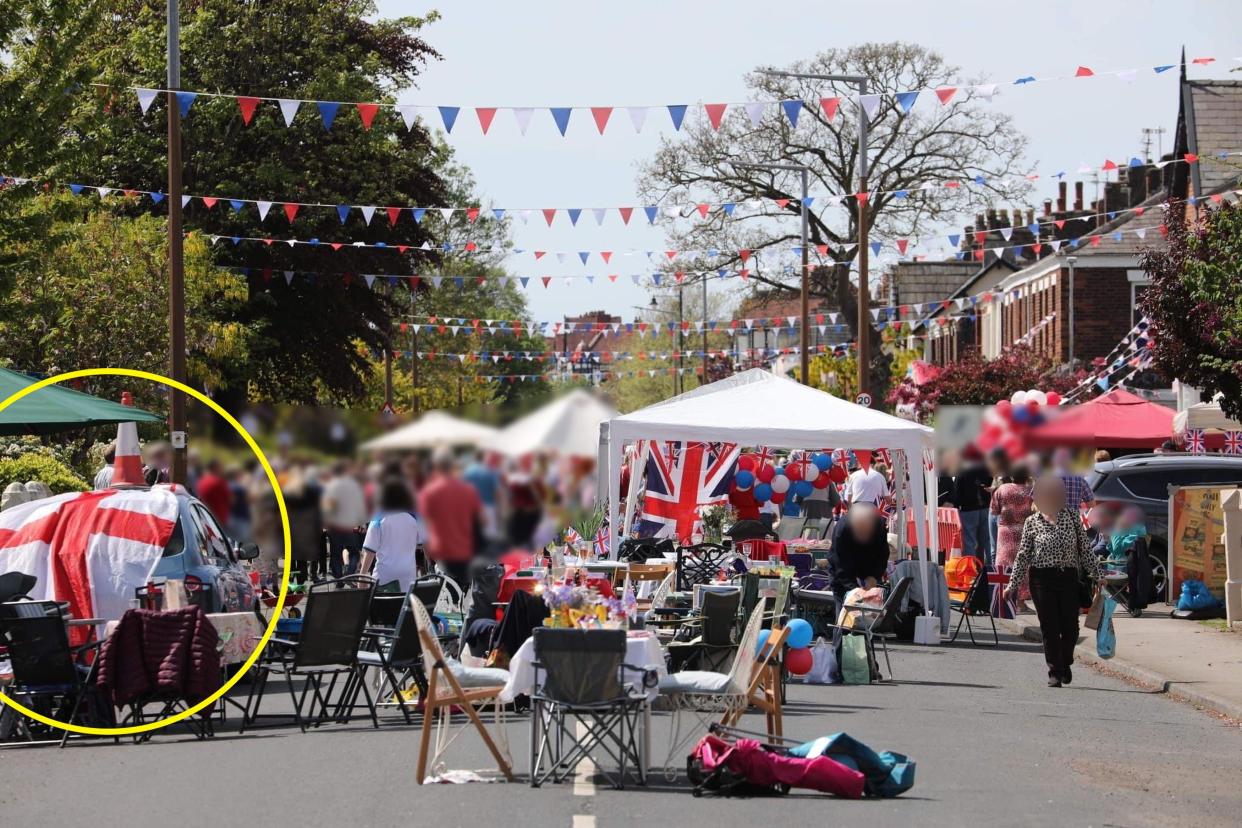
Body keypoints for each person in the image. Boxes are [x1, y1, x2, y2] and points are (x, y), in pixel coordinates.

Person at [1005, 475, 1102, 687]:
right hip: (1041, 579)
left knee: (1070, 628)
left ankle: (1065, 660)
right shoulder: (1032, 522)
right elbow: (1023, 555)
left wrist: (1098, 575)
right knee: (1049, 627)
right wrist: (1012, 584)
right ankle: (1054, 672)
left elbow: (1085, 549)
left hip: (1068, 576)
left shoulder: (1072, 517)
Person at [418, 447, 483, 587]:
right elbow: (481, 521)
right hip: (466, 554)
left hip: (443, 557)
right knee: (464, 603)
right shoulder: (469, 490)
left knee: (446, 604)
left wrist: (429, 558)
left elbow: (424, 529)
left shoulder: (429, 492)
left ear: (436, 466)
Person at [359, 478, 424, 592]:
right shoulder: (414, 518)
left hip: (384, 576)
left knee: (383, 608)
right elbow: (421, 544)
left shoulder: (378, 519)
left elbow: (370, 551)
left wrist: (362, 576)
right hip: (408, 575)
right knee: (404, 608)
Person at [990, 464, 1034, 611]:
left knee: (1004, 564)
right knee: (1023, 566)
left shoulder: (1001, 489)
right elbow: (1035, 511)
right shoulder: (1030, 491)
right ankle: (1021, 602)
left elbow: (994, 510)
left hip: (1005, 532)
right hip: (1024, 530)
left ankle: (1001, 598)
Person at [826, 504, 890, 604]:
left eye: (867, 532)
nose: (863, 536)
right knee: (845, 609)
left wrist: (874, 576)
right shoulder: (842, 530)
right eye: (859, 532)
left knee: (873, 609)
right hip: (843, 569)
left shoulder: (879, 526)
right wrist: (855, 590)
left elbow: (883, 555)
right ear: (852, 526)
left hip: (868, 563)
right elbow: (840, 567)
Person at [322, 461, 368, 578]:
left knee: (335, 554)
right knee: (354, 553)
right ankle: (349, 574)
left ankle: (339, 580)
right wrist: (362, 523)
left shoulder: (330, 486)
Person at [954, 445, 994, 567]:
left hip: (968, 509)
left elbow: (957, 488)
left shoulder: (962, 468)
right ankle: (989, 570)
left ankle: (970, 570)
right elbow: (989, 480)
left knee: (969, 542)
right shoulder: (984, 466)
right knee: (987, 540)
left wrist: (957, 504)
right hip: (984, 507)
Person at [463, 452, 503, 543]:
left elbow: (463, 488)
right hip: (489, 506)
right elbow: (497, 491)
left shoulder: (468, 471)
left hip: (472, 507)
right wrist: (499, 508)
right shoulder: (492, 471)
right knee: (490, 535)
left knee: (475, 532)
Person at [985, 447, 1012, 553]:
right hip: (993, 511)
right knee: (993, 547)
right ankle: (994, 569)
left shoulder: (1009, 473)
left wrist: (995, 489)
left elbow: (1010, 490)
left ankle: (1001, 568)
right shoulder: (996, 474)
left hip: (1003, 512)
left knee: (1000, 546)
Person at [196, 459, 231, 523]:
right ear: (215, 468)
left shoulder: (201, 481)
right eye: (220, 467)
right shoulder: (218, 481)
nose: (222, 469)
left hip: (205, 517)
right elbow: (231, 499)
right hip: (219, 519)